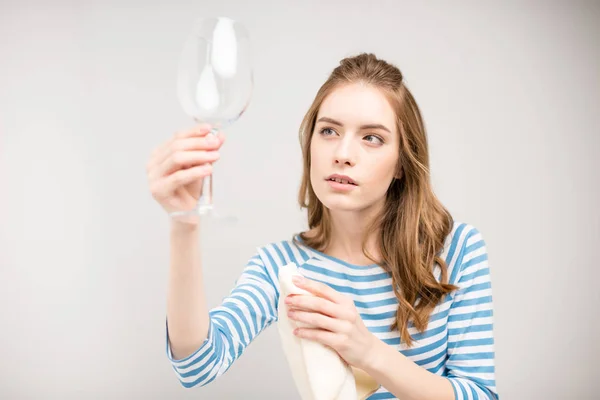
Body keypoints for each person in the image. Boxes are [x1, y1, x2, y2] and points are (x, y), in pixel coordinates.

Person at [146, 53, 498, 400]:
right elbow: (196, 365)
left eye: (371, 137)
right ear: (310, 145)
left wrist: (368, 352)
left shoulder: (456, 249)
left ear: (401, 164)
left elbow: (480, 395)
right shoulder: (283, 268)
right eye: (329, 130)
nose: (343, 153)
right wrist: (184, 223)